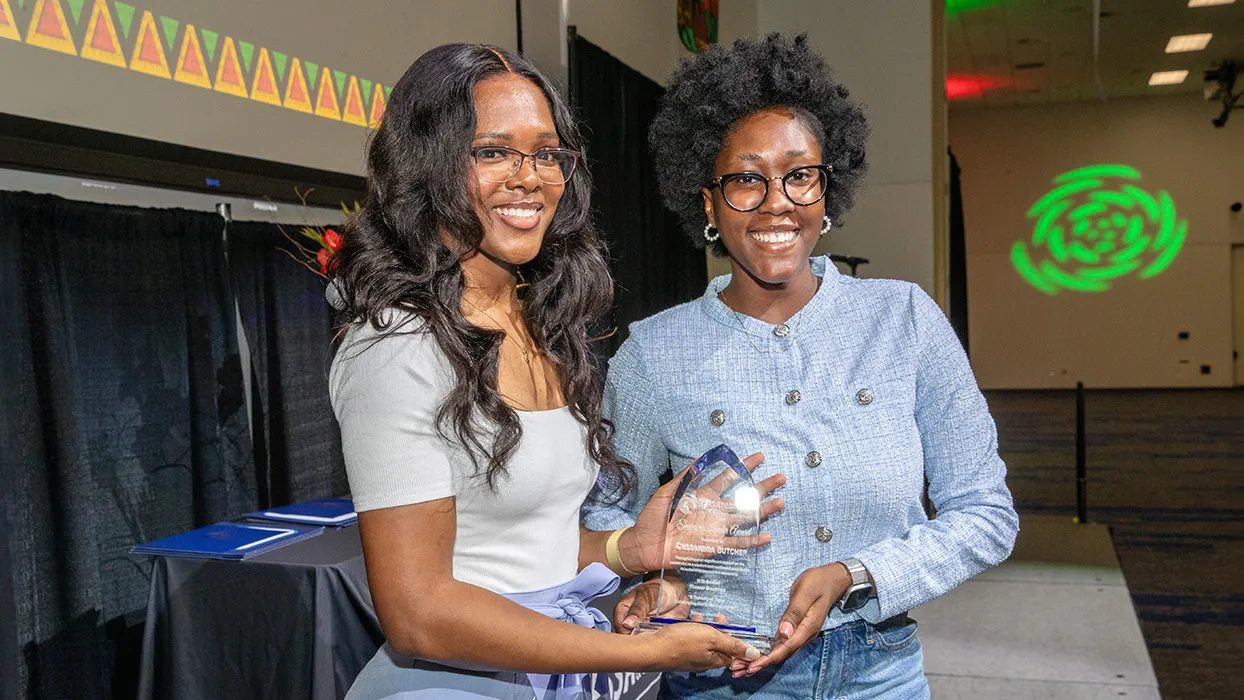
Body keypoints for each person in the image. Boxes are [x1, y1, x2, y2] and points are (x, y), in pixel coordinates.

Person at [328, 44, 782, 699]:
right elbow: (419, 615)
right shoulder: (397, 345)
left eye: (547, 153)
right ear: (428, 165)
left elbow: (526, 548)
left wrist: (631, 548)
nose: (530, 176)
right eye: (493, 152)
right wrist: (639, 650)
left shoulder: (541, 323)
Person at [583, 34, 1019, 699]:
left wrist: (856, 572)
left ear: (826, 191)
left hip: (882, 673)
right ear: (707, 202)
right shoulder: (652, 355)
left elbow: (986, 514)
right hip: (716, 674)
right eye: (746, 179)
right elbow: (606, 529)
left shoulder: (903, 320)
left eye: (799, 175)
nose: (775, 201)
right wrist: (654, 580)